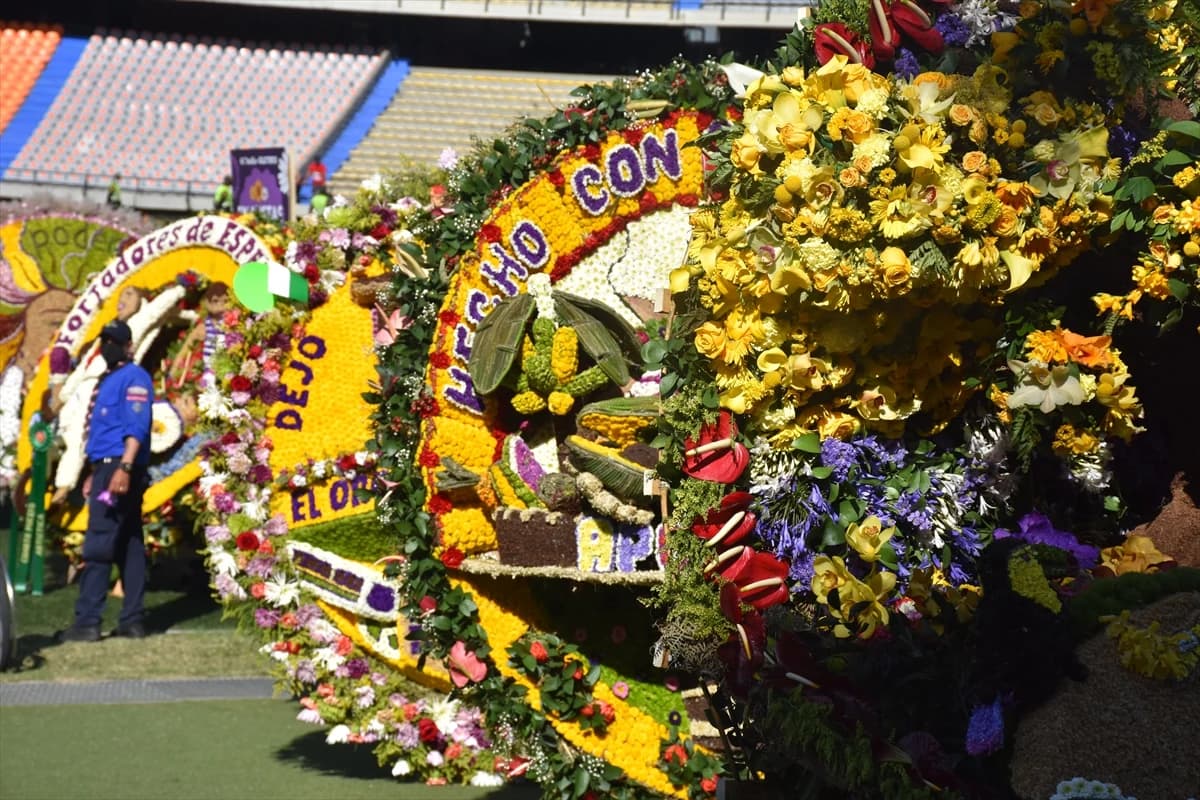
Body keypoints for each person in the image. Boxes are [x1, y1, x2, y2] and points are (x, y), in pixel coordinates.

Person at [58, 320, 154, 642]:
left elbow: (136, 425)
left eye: (115, 341)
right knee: (129, 542)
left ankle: (87, 622)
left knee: (99, 540)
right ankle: (132, 621)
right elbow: (103, 430)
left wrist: (123, 468)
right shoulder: (109, 378)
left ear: (129, 346)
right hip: (107, 465)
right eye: (105, 341)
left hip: (119, 466)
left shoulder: (134, 377)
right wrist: (94, 471)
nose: (108, 347)